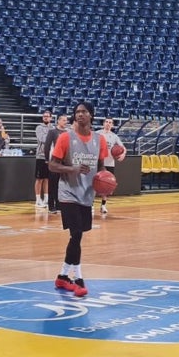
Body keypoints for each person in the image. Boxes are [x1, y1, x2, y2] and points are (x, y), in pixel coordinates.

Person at [50, 102, 108, 299]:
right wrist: (71, 169)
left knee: (78, 236)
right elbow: (52, 165)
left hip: (87, 194)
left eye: (83, 112)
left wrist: (106, 182)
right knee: (75, 234)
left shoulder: (100, 140)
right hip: (68, 193)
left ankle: (62, 276)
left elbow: (101, 167)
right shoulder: (65, 138)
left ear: (91, 115)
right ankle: (78, 279)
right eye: (77, 112)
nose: (79, 115)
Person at [98, 117, 124, 217]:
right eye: (107, 122)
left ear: (112, 125)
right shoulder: (98, 133)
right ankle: (90, 205)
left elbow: (123, 148)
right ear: (103, 123)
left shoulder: (114, 137)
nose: (108, 124)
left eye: (110, 122)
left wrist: (122, 154)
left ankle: (103, 205)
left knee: (106, 186)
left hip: (110, 163)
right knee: (93, 183)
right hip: (99, 162)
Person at [44, 114, 69, 214]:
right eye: (63, 120)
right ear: (58, 121)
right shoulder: (52, 132)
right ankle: (51, 205)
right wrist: (47, 159)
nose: (65, 122)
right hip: (54, 161)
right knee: (52, 184)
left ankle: (59, 204)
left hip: (64, 162)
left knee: (61, 184)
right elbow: (47, 145)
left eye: (66, 120)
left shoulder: (67, 133)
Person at [33, 111, 53, 208]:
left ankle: (46, 198)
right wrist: (51, 137)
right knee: (39, 178)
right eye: (44, 116)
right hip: (41, 155)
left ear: (51, 118)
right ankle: (37, 199)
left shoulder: (52, 128)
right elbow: (42, 139)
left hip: (50, 156)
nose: (45, 118)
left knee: (47, 178)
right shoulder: (39, 127)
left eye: (47, 116)